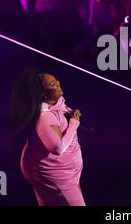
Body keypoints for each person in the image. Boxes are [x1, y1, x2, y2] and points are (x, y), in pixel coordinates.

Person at [10, 68, 85, 206]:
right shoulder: (45, 117)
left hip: (65, 172)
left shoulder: (56, 104)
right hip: (55, 175)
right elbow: (57, 148)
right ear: (43, 94)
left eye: (55, 80)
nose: (57, 84)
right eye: (52, 84)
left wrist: (69, 114)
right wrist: (74, 123)